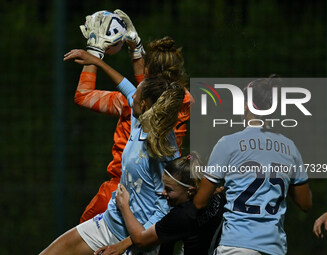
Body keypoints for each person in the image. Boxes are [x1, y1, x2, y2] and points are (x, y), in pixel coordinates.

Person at [40, 42, 185, 254]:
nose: (132, 96)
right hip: (108, 222)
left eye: (137, 95)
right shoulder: (140, 120)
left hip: (135, 241)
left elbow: (163, 214)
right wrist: (95, 60)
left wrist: (124, 244)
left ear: (145, 104)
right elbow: (125, 85)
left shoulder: (163, 149)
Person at [75, 10, 192, 223]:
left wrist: (95, 53)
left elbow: (83, 96)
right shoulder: (184, 102)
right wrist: (137, 50)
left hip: (121, 191)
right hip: (161, 197)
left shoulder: (131, 104)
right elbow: (148, 88)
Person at [193, 77, 312, 255]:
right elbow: (305, 203)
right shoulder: (290, 147)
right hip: (274, 247)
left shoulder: (228, 143)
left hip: (236, 244)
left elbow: (200, 202)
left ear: (247, 105)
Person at [94, 153, 225, 255]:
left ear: (190, 191)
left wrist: (124, 206)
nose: (163, 193)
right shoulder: (216, 195)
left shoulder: (182, 215)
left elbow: (141, 240)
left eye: (169, 189)